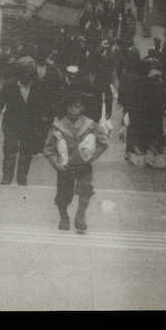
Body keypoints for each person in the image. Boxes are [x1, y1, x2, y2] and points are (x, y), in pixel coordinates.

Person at [43, 91, 110, 233]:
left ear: (82, 108)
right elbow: (48, 150)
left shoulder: (90, 125)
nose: (73, 110)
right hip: (65, 166)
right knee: (63, 194)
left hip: (83, 165)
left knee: (85, 191)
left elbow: (103, 143)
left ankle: (80, 217)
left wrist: (92, 157)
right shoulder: (58, 126)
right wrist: (57, 164)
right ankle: (64, 217)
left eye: (76, 107)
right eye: (70, 107)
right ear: (66, 108)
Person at [0, 57, 53, 186]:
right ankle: (7, 176)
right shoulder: (9, 84)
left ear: (32, 73)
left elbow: (47, 105)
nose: (25, 76)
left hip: (30, 125)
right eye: (22, 73)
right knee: (10, 149)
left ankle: (22, 177)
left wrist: (45, 123)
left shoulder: (40, 85)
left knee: (26, 150)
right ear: (18, 73)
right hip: (11, 123)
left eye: (28, 73)